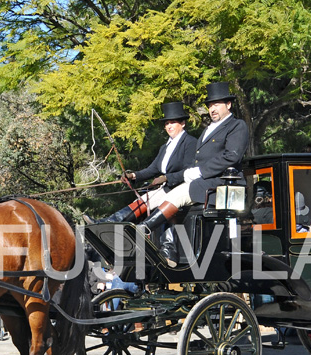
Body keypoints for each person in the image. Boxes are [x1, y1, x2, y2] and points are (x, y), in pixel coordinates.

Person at [87, 101, 197, 263]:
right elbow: (152, 169)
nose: (169, 126)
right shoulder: (166, 147)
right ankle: (109, 222)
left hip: (181, 188)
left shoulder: (190, 143)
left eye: (172, 122)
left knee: (154, 201)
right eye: (167, 123)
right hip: (166, 188)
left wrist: (167, 178)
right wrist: (133, 176)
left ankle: (166, 248)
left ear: (182, 123)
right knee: (142, 200)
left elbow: (189, 170)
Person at [136, 81, 249, 236]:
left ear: (228, 104)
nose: (212, 109)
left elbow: (232, 157)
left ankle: (143, 229)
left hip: (222, 183)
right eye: (210, 106)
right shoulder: (208, 130)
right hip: (202, 181)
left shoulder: (237, 125)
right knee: (159, 196)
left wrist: (200, 172)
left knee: (177, 195)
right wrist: (173, 177)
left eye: (216, 104)